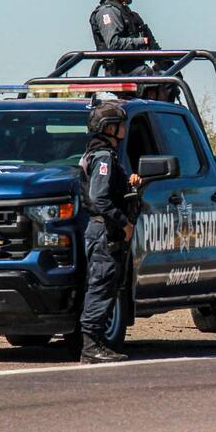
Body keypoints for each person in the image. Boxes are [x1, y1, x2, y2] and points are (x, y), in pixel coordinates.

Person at [78, 101, 141, 364]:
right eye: (120, 124)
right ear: (109, 128)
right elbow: (99, 198)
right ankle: (91, 346)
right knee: (101, 286)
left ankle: (97, 343)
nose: (124, 128)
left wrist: (129, 182)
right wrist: (124, 223)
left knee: (107, 285)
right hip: (105, 231)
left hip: (102, 231)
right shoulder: (103, 156)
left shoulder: (101, 154)